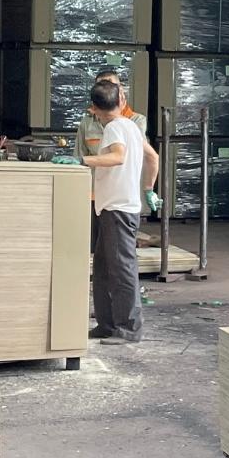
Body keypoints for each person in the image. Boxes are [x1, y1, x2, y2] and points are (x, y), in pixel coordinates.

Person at [81, 77, 159, 342]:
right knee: (103, 270)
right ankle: (107, 324)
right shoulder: (131, 125)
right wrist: (149, 187)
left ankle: (128, 329)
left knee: (122, 269)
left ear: (94, 108)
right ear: (120, 101)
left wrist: (83, 161)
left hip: (119, 209)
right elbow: (153, 157)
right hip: (113, 208)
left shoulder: (115, 128)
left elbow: (118, 157)